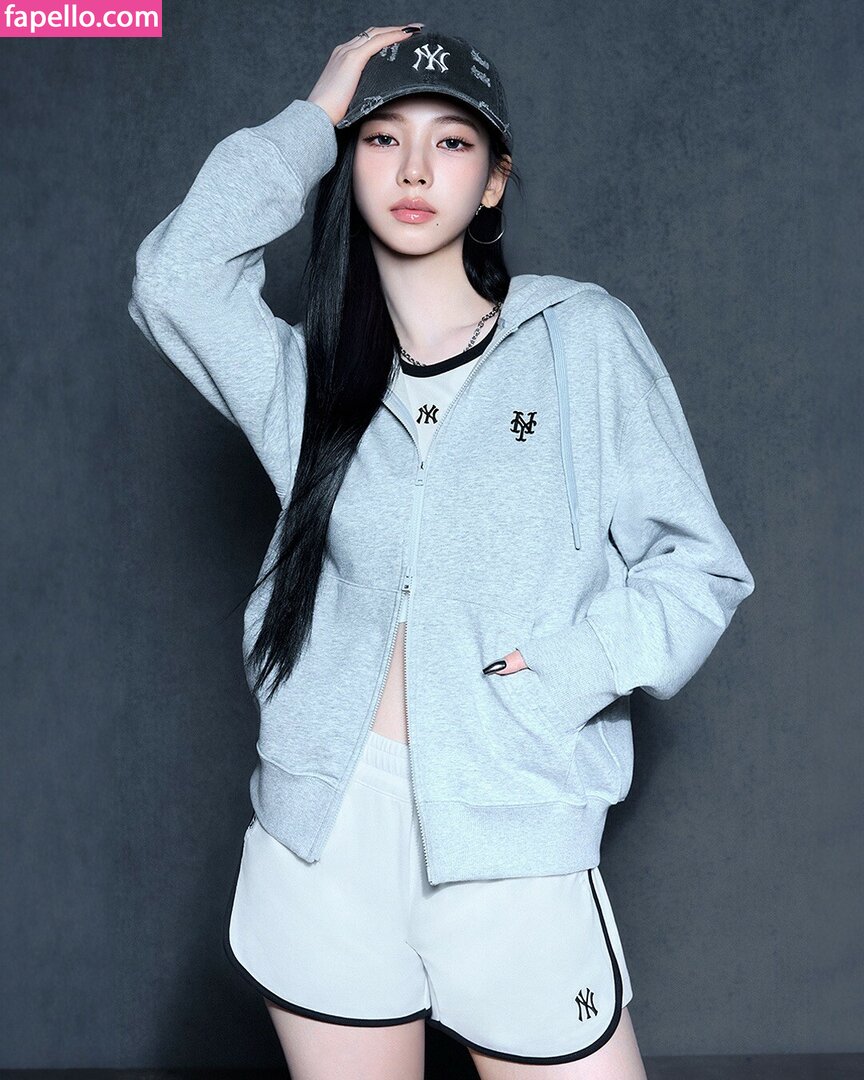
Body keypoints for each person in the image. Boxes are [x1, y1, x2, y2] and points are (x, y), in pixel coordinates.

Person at [127, 23, 755, 1080]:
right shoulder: (309, 386)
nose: (416, 169)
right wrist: (317, 114)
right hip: (321, 845)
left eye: (453, 142)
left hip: (510, 842)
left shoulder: (580, 340)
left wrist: (566, 671)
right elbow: (175, 276)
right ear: (350, 165)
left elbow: (700, 569)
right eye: (384, 140)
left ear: (494, 181)